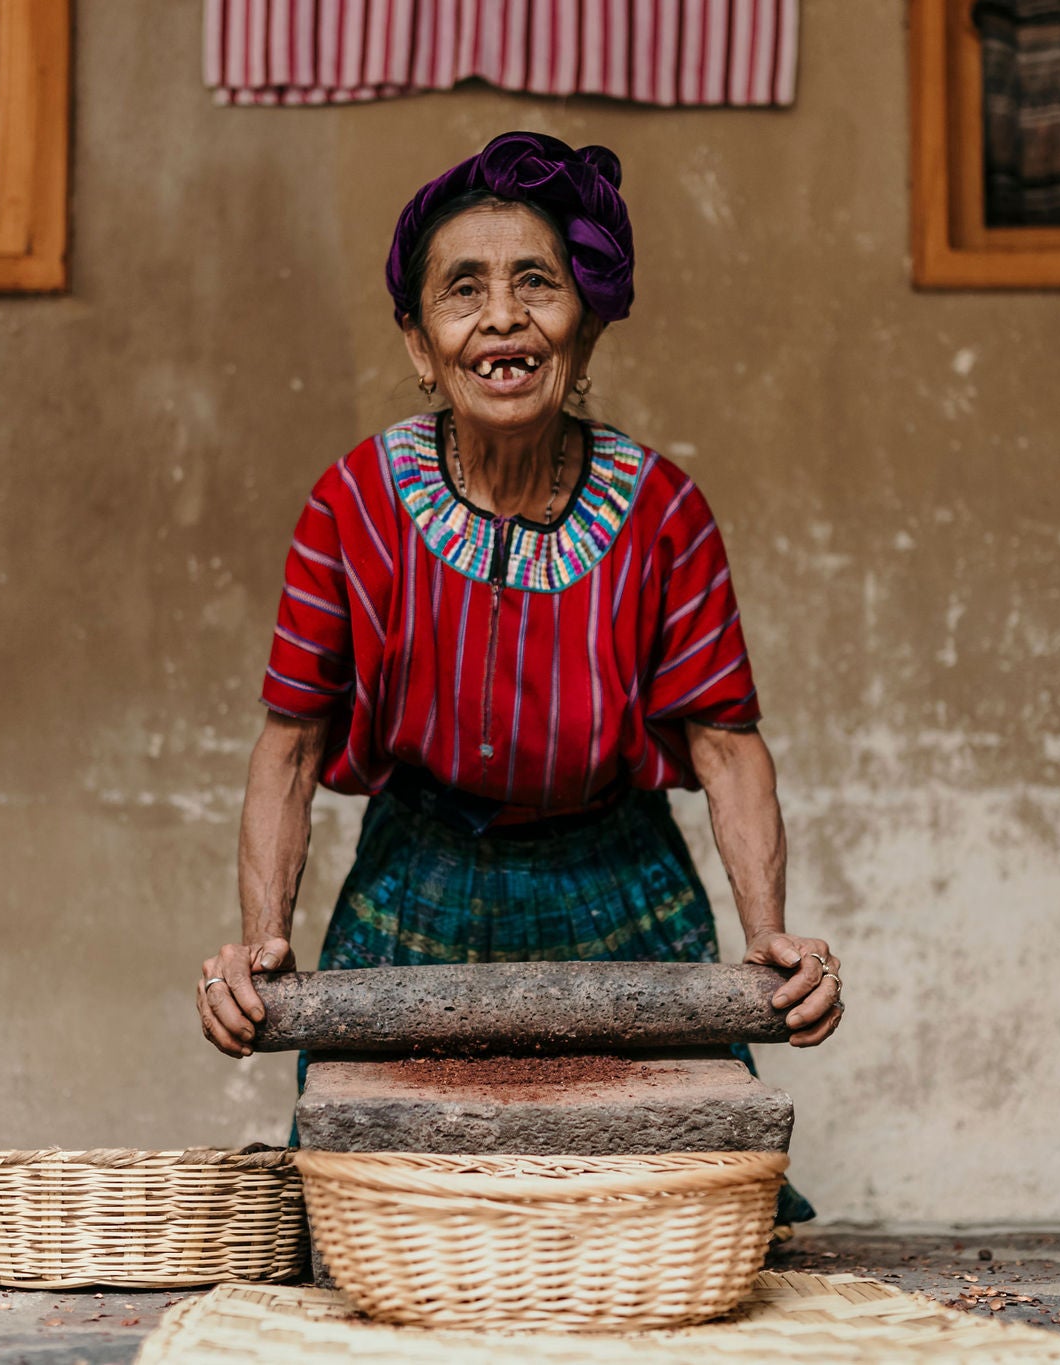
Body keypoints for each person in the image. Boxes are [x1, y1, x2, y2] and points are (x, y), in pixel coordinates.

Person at [197, 131, 841, 1225]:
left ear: (580, 327)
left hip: (617, 877)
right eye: (462, 292)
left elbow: (724, 743)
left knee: (669, 1194)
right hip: (416, 877)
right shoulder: (350, 504)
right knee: (378, 1200)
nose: (500, 319)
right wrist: (263, 938)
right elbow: (291, 743)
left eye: (535, 284)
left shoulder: (661, 510)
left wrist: (769, 937)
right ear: (418, 341)